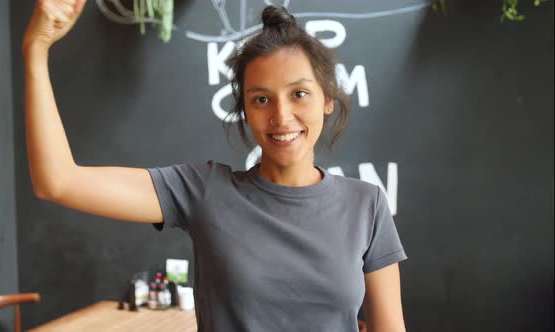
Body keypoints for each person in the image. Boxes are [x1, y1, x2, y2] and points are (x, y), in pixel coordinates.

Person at [23, 1, 408, 331]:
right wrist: (36, 50)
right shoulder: (204, 190)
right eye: (260, 100)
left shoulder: (367, 205)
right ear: (243, 111)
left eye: (299, 94)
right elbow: (57, 181)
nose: (281, 115)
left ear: (328, 99)